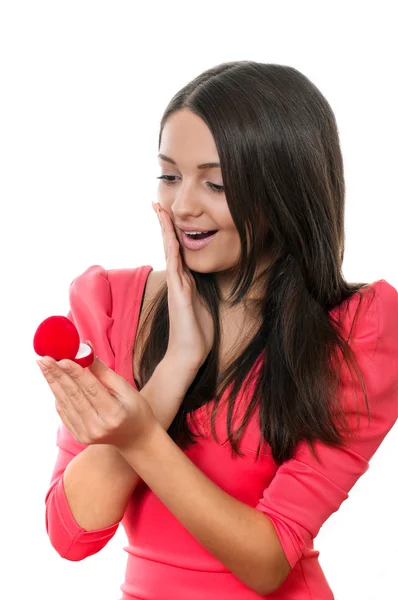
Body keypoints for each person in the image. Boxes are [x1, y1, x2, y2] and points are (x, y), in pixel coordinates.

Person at [39, 61, 398, 600]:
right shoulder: (113, 306)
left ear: (286, 189)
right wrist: (174, 368)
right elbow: (72, 535)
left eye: (216, 183)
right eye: (169, 176)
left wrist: (139, 436)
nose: (183, 206)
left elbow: (269, 560)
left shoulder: (357, 332)